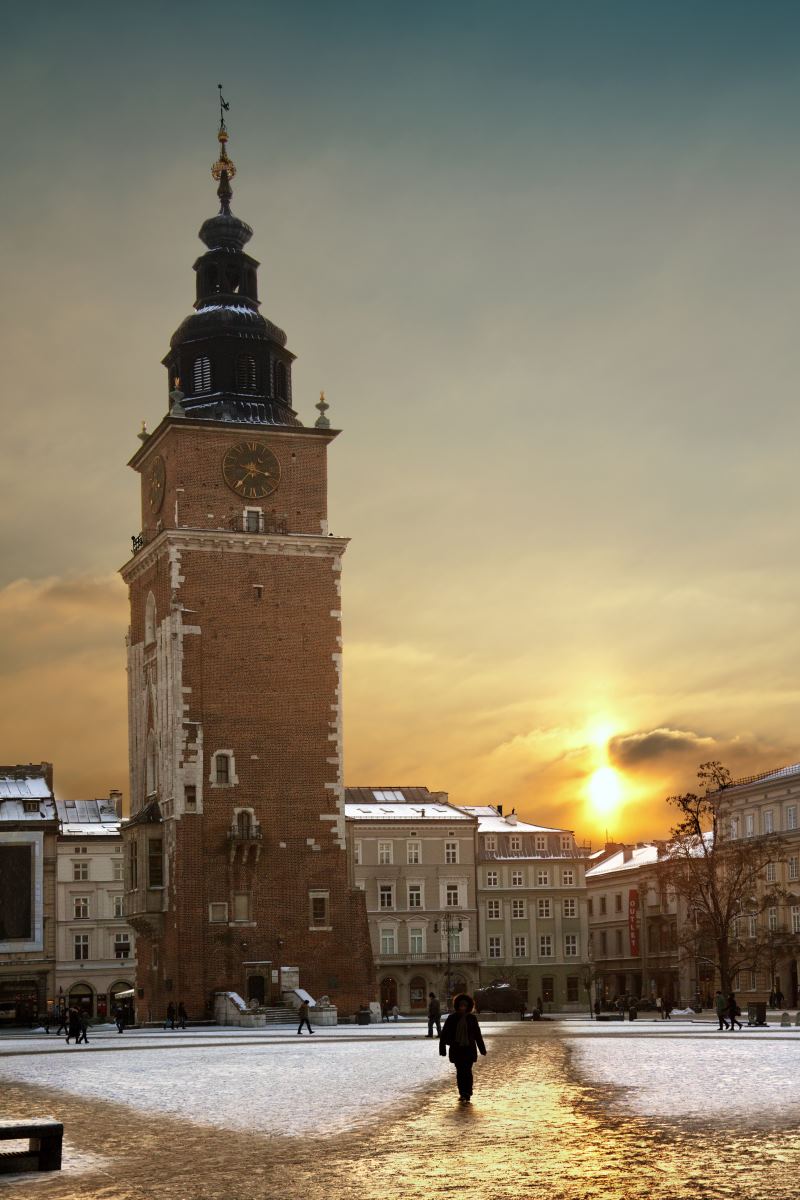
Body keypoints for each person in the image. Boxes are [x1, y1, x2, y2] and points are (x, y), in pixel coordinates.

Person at [439, 993, 487, 1104]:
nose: (463, 1008)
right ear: (457, 1006)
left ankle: (468, 1093)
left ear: (468, 1006)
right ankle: (462, 1093)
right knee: (460, 1072)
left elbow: (477, 1035)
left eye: (465, 1006)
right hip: (457, 1049)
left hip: (469, 1049)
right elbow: (445, 1034)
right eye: (461, 1006)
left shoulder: (472, 1018)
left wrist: (482, 1049)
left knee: (468, 1071)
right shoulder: (452, 1018)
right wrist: (443, 1048)